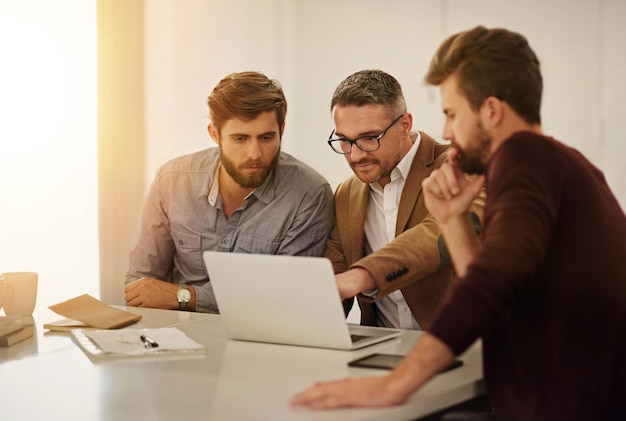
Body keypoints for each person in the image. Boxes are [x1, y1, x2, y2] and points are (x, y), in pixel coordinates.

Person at [292, 26, 626, 420]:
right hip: (555, 388)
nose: (447, 131)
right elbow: (495, 286)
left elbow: (489, 285)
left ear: (491, 111)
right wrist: (453, 221)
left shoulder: (524, 158)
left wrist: (394, 386)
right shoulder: (558, 162)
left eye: (452, 113)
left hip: (574, 398)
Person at [124, 71, 335, 313]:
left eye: (266, 137)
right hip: (175, 338)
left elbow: (284, 297)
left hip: (261, 340)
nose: (255, 153)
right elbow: (140, 284)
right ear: (215, 134)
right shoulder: (172, 180)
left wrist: (184, 296)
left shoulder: (309, 195)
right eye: (240, 139)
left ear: (282, 131)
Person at [324, 69, 484, 331]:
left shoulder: (458, 165)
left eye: (369, 138)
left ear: (404, 125)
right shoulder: (346, 194)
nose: (354, 156)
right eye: (344, 141)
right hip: (382, 351)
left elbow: (437, 235)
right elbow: (332, 283)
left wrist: (362, 276)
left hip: (458, 349)